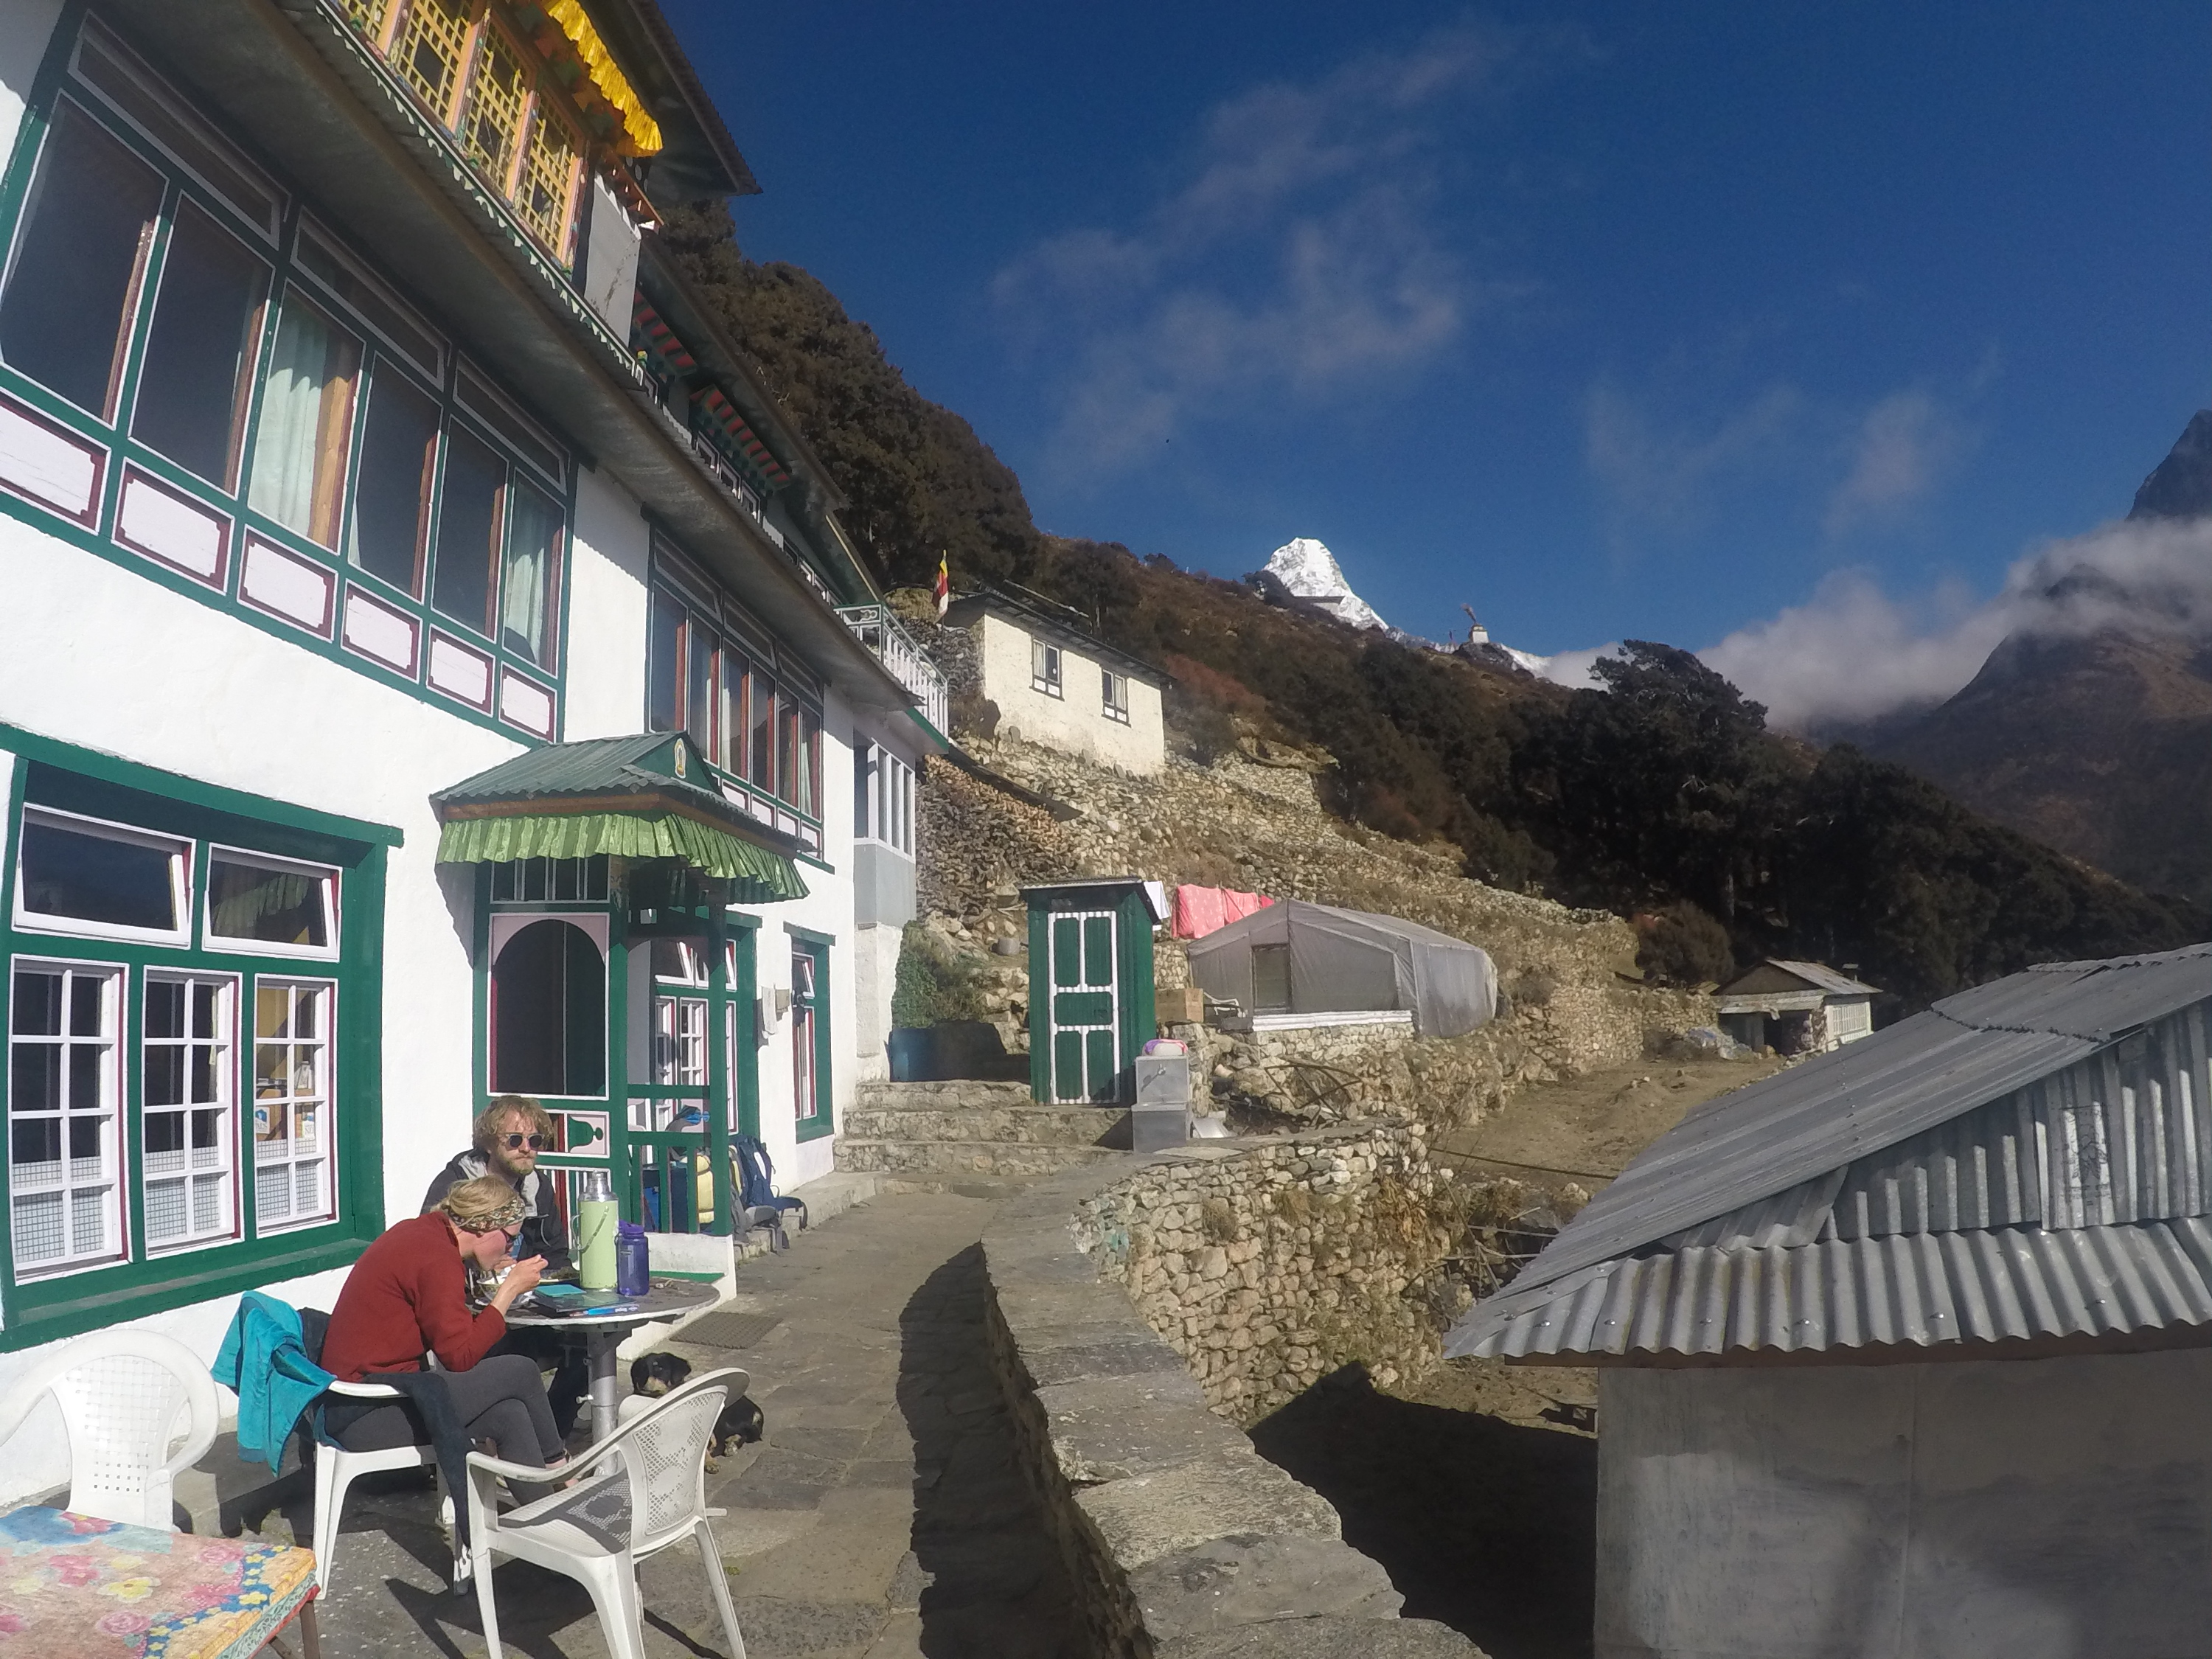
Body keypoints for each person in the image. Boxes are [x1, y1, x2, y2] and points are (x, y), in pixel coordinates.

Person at [319, 1176, 567, 1486]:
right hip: (366, 1412)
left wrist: (480, 1267)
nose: (510, 1247)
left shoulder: (421, 1233)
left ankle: (543, 1516)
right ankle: (561, 1469)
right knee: (520, 1370)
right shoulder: (438, 1259)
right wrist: (508, 1292)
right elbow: (459, 1357)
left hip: (365, 1400)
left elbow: (445, 1324)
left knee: (509, 1414)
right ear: (482, 1227)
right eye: (509, 1238)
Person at [421, 1096, 588, 1436]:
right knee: (508, 1364)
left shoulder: (537, 1187)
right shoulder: (456, 1186)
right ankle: (496, 1440)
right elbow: (433, 1256)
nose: (526, 1148)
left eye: (535, 1141)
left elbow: (556, 1254)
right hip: (470, 1314)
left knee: (588, 1345)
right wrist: (483, 1267)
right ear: (488, 1142)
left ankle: (552, 1433)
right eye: (514, 1140)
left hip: (523, 1305)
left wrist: (528, 1271)